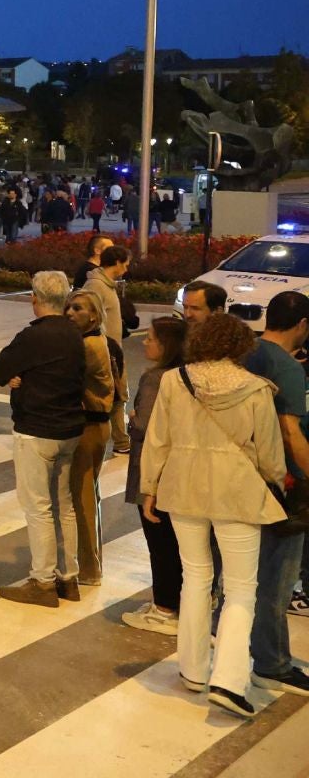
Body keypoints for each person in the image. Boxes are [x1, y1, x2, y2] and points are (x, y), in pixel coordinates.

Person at [139, 313, 287, 719]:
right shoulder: (256, 389)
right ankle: (230, 680)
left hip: (182, 486)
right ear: (241, 346)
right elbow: (271, 455)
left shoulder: (174, 380)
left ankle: (191, 669)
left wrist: (149, 487)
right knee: (241, 588)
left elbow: (158, 439)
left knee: (195, 576)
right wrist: (276, 481)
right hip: (236, 490)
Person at [0, 270, 88, 604]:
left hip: (36, 429)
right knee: (64, 506)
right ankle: (68, 577)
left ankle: (43, 581)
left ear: (35, 298)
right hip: (69, 429)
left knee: (38, 508)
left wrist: (18, 376)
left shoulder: (33, 337)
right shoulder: (74, 334)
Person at [242, 291, 309, 697]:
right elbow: (290, 432)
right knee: (278, 578)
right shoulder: (286, 367)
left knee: (243, 571)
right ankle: (272, 661)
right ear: (302, 324)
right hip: (286, 485)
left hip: (244, 478)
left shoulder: (246, 352)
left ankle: (231, 635)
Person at [122, 316, 188, 635]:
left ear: (166, 345)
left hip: (152, 469)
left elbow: (147, 428)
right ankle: (175, 602)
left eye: (150, 338)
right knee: (175, 541)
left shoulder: (156, 379)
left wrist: (132, 420)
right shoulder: (186, 374)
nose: (145, 343)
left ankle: (164, 607)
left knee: (159, 540)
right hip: (178, 469)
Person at [63, 291, 118, 584]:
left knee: (81, 496)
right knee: (87, 494)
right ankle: (89, 562)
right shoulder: (99, 341)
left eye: (78, 308)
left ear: (94, 316)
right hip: (95, 426)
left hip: (89, 427)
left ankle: (87, 568)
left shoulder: (88, 345)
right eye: (68, 307)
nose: (70, 312)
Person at [79, 243, 131, 454]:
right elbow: (87, 317)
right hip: (105, 351)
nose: (127, 269)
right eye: (125, 264)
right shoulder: (96, 287)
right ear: (117, 263)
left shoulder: (107, 285)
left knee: (119, 395)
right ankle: (121, 442)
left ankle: (121, 441)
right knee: (117, 395)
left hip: (113, 349)